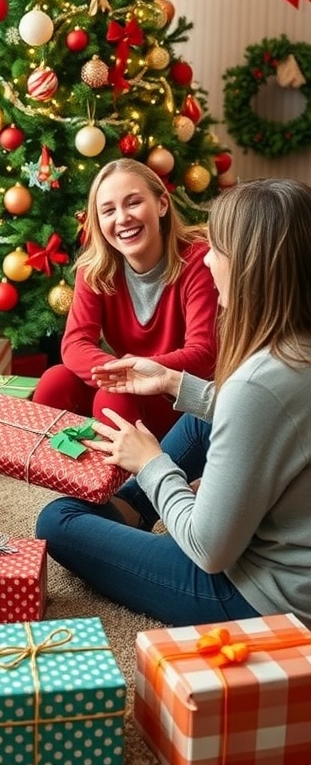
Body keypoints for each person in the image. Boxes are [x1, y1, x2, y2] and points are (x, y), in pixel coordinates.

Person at [37, 178, 311, 628]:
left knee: (57, 519)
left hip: (260, 593)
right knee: (205, 415)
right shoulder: (291, 350)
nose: (206, 257)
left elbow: (209, 549)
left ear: (251, 266)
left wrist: (152, 464)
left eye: (217, 249)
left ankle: (138, 503)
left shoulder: (257, 384)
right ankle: (133, 509)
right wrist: (171, 380)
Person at [33, 158, 218, 439]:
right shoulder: (94, 269)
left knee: (113, 400)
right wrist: (121, 373)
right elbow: (75, 344)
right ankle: (54, 474)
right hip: (131, 385)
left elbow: (204, 354)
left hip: (180, 401)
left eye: (133, 203)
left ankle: (131, 480)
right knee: (55, 381)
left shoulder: (197, 260)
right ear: (98, 221)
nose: (122, 218)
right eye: (108, 210)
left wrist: (141, 373)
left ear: (162, 205)